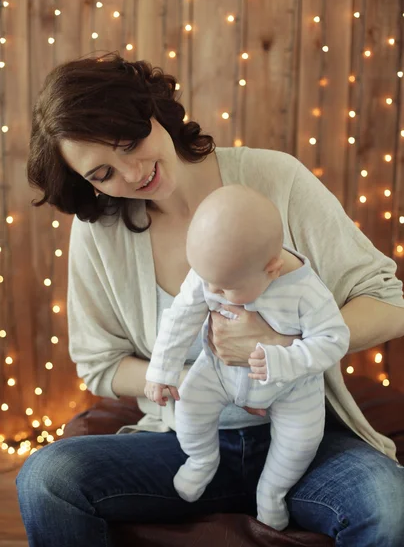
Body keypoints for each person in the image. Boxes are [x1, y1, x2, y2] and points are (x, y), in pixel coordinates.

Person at [17, 53, 404, 547]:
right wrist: (186, 381)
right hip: (183, 442)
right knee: (46, 479)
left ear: (153, 111)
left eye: (131, 143)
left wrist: (284, 344)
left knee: (390, 505)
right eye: (102, 174)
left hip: (306, 436)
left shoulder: (275, 179)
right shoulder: (101, 232)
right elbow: (100, 365)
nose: (132, 174)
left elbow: (389, 302)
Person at [145, 184, 350, 530]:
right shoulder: (212, 273)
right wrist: (162, 369)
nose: (211, 292)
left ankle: (271, 492)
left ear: (271, 269)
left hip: (291, 388)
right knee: (191, 404)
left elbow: (334, 339)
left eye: (224, 288)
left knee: (301, 441)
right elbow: (181, 315)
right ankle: (201, 460)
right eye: (205, 279)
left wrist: (283, 358)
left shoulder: (305, 290)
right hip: (219, 371)